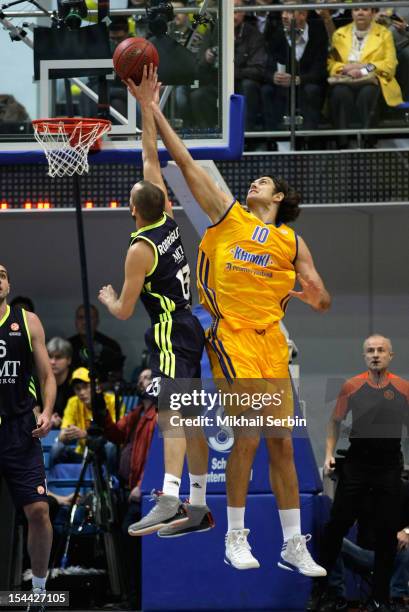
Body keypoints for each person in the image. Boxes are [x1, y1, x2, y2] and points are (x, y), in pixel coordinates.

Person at [142, 75, 331, 573]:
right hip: (231, 338)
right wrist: (153, 110)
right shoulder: (228, 219)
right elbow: (183, 162)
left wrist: (313, 296)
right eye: (254, 180)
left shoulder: (290, 242)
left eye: (264, 182)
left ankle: (293, 545)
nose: (254, 182)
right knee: (247, 436)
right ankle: (235, 536)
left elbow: (321, 295)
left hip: (272, 345)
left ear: (281, 199)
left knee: (282, 446)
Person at [99, 66, 212, 538]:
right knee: (189, 416)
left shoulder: (138, 248)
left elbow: (125, 310)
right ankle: (201, 505)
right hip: (191, 326)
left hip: (169, 330)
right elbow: (151, 154)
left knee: (171, 414)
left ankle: (168, 496)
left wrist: (108, 299)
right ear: (162, 203)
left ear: (132, 211)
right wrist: (148, 107)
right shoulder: (168, 221)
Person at [309, 335, 409, 612]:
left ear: (391, 355)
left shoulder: (403, 388)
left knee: (388, 532)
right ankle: (323, 590)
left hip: (389, 467)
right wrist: (329, 453)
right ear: (364, 356)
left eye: (380, 350)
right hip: (356, 466)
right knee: (336, 526)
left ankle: (380, 598)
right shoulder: (351, 386)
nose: (375, 355)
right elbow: (335, 422)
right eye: (370, 351)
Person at [0, 264, 56, 611]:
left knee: (38, 510)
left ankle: (37, 593)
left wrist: (48, 411)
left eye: (3, 274)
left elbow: (48, 375)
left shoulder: (27, 320)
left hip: (20, 429)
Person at [323, 476, 409, 612]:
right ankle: (337, 597)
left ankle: (397, 600)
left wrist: (407, 531)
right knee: (332, 539)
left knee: (405, 544)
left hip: (393, 553)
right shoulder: (360, 489)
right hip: (363, 553)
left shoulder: (405, 488)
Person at [327, 7, 403, 148]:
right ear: (352, 13)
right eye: (356, 10)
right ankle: (342, 143)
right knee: (339, 93)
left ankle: (369, 143)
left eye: (365, 9)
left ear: (373, 13)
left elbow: (389, 65)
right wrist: (345, 68)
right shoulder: (340, 33)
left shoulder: (384, 33)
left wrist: (363, 69)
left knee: (367, 94)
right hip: (346, 79)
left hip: (373, 80)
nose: (360, 13)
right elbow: (331, 62)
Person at [261, 3, 328, 136]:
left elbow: (321, 69)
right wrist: (272, 76)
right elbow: (265, 66)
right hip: (282, 86)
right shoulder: (276, 35)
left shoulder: (317, 34)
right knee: (266, 90)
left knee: (312, 90)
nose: (284, 16)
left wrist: (299, 79)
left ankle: (309, 139)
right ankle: (273, 139)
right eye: (283, 12)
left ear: (303, 15)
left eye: (290, 12)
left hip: (306, 83)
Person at [52, 367, 119, 465]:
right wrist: (68, 433)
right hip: (82, 454)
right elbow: (62, 435)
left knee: (110, 446)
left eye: (86, 387)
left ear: (96, 387)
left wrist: (85, 435)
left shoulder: (112, 401)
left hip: (103, 452)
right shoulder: (73, 402)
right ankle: (47, 479)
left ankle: (113, 478)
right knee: (57, 448)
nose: (82, 392)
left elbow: (115, 434)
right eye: (78, 389)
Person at [69, 303, 125, 384]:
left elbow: (117, 377)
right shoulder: (68, 346)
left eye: (89, 317)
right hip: (74, 392)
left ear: (97, 320)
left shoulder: (110, 345)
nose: (84, 322)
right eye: (80, 317)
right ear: (75, 321)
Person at [46, 337, 73, 429]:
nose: (52, 362)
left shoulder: (76, 381)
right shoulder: (39, 379)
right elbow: (33, 409)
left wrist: (65, 421)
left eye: (58, 357)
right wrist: (45, 418)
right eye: (50, 357)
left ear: (69, 360)